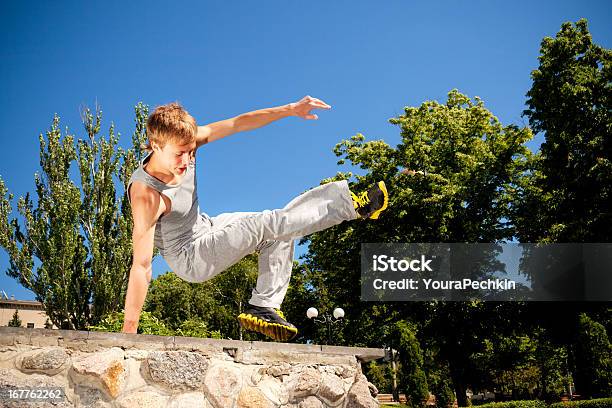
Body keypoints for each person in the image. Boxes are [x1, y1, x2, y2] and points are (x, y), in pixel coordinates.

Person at [122, 96, 389, 341]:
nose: (186, 160)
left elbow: (238, 123)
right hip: (189, 257)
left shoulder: (185, 140)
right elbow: (141, 267)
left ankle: (264, 306)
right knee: (265, 225)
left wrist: (290, 110)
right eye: (179, 154)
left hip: (208, 226)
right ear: (156, 145)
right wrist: (129, 332)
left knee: (279, 227)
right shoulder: (146, 194)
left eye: (191, 152)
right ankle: (352, 206)